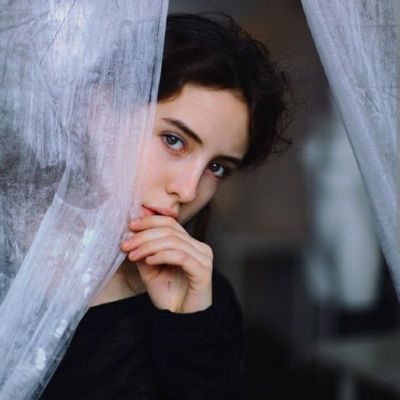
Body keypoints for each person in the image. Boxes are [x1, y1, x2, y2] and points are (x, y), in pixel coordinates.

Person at [40, 12, 289, 400]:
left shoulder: (208, 305)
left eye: (217, 167)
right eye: (174, 140)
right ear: (97, 111)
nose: (188, 190)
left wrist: (186, 327)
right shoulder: (11, 261)